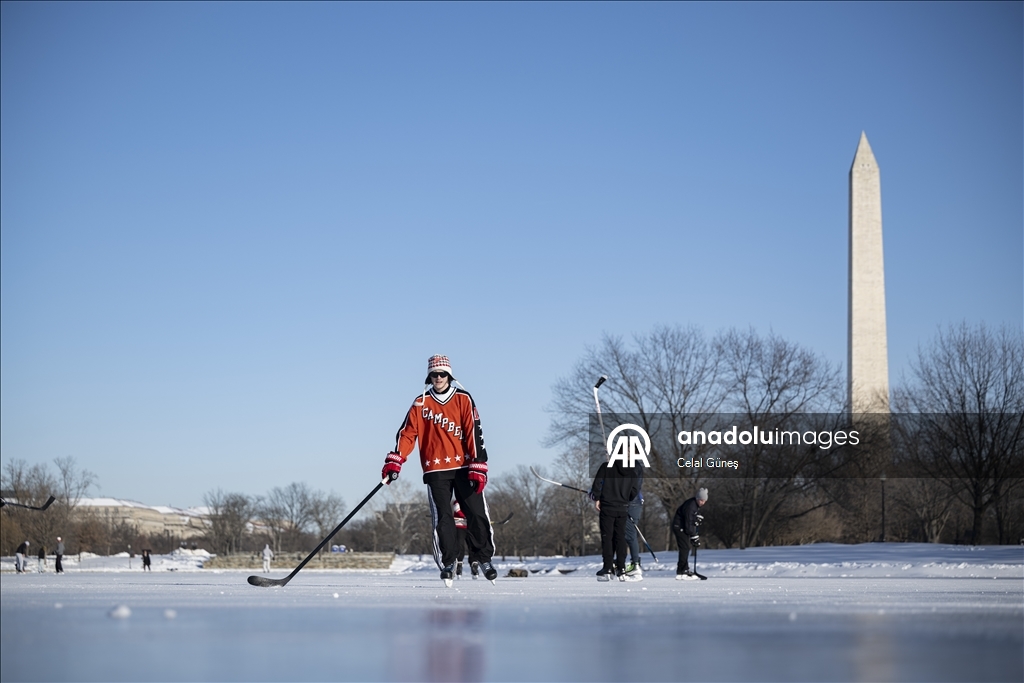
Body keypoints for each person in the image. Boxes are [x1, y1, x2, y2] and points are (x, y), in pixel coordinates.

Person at [383, 354, 496, 586]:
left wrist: (478, 463)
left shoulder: (463, 399)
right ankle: (448, 560)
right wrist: (397, 459)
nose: (438, 378)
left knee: (476, 513)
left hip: (464, 466)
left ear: (450, 375)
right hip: (436, 469)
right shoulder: (420, 403)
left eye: (442, 374)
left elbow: (474, 430)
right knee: (443, 516)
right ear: (429, 376)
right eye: (434, 374)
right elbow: (407, 433)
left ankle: (483, 557)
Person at [589, 454, 640, 582]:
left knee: (607, 537)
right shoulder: (632, 471)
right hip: (622, 508)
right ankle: (621, 568)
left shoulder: (606, 467)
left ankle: (608, 568)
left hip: (607, 507)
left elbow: (597, 484)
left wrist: (597, 497)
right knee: (620, 537)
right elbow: (634, 491)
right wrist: (624, 498)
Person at [671, 487, 708, 580]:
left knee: (685, 548)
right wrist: (694, 536)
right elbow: (688, 523)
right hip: (679, 527)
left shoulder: (694, 505)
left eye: (704, 501)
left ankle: (684, 569)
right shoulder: (691, 506)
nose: (702, 503)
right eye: (701, 500)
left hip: (683, 527)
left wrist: (696, 519)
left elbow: (690, 520)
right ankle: (682, 570)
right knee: (685, 548)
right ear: (697, 499)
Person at [623, 466, 646, 581]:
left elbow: (633, 486)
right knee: (624, 534)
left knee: (629, 534)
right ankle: (631, 564)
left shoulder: (633, 466)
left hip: (631, 503)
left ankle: (635, 565)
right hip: (630, 502)